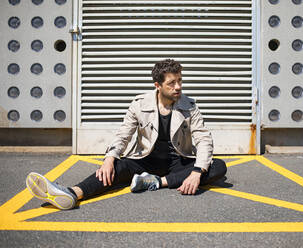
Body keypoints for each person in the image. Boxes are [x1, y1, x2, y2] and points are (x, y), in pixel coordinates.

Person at [26, 59, 227, 210]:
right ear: (157, 85)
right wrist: (109, 158)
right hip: (145, 160)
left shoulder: (189, 106)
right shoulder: (139, 105)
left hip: (178, 162)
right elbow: (123, 134)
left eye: (180, 81)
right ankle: (72, 194)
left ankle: (156, 182)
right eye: (172, 83)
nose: (178, 87)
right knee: (114, 167)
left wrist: (196, 172)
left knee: (217, 166)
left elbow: (203, 139)